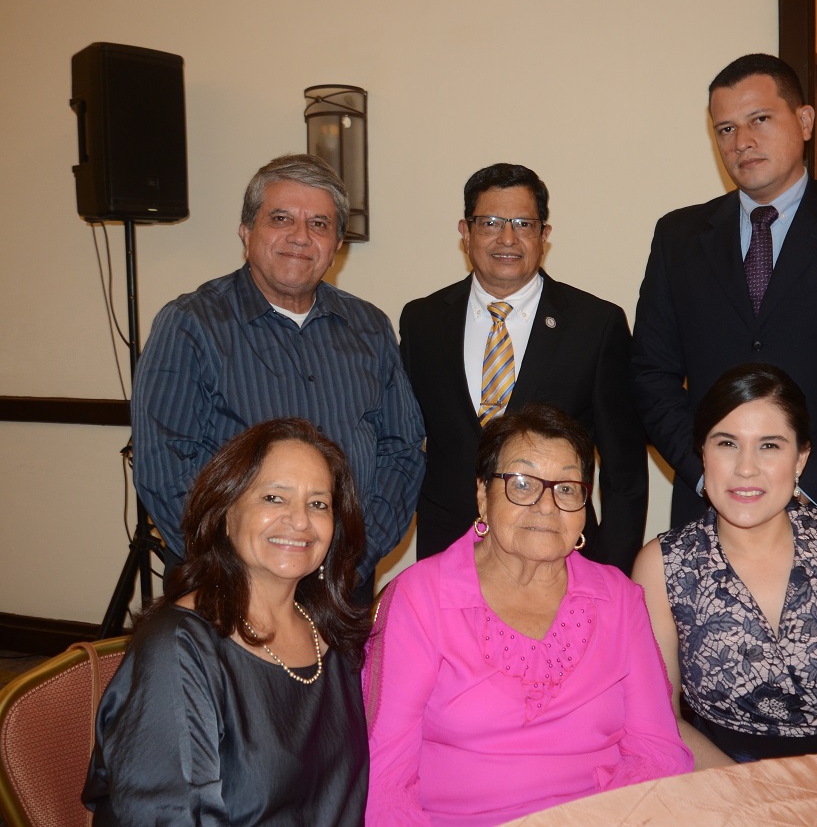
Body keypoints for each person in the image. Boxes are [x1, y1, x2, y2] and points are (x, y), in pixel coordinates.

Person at [631, 54, 817, 564]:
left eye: (760, 120)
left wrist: (802, 481)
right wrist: (711, 474)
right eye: (725, 128)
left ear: (805, 121)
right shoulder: (678, 236)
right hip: (711, 522)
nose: (741, 141)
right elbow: (651, 374)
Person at [363, 404, 692, 824]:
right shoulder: (418, 598)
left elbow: (657, 752)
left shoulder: (620, 599)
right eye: (522, 483)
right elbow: (384, 779)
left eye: (567, 488)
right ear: (483, 494)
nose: (546, 506)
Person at [132, 153, 425, 600]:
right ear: (247, 232)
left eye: (320, 224)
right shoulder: (190, 324)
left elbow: (402, 450)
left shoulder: (370, 327)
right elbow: (164, 466)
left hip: (342, 585)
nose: (300, 237)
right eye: (281, 218)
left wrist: (358, 556)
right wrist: (239, 569)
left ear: (337, 243)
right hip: (227, 587)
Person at [632, 364, 817, 767]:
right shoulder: (663, 565)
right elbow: (660, 716)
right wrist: (756, 803)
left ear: (801, 458)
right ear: (702, 452)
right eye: (726, 443)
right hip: (723, 790)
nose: (746, 468)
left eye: (770, 445)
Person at [83, 418, 371, 824]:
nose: (300, 520)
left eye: (319, 503)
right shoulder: (178, 649)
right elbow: (171, 816)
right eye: (274, 498)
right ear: (225, 512)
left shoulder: (333, 634)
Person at [400, 163, 647, 574]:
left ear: (544, 235)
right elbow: (405, 441)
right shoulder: (422, 321)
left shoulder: (595, 325)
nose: (507, 238)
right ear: (465, 232)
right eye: (491, 222)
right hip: (447, 555)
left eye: (523, 224)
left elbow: (625, 470)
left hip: (557, 551)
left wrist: (616, 571)